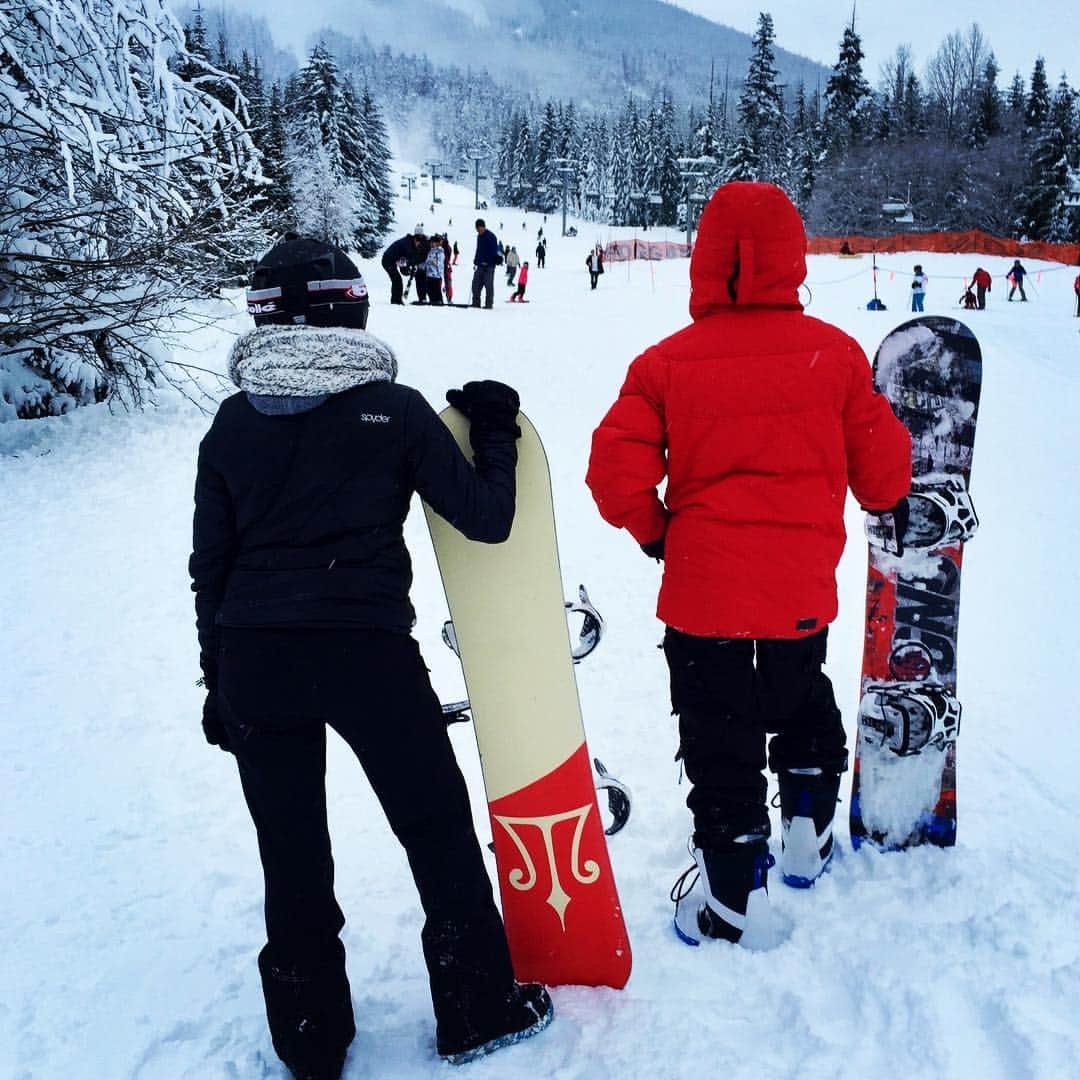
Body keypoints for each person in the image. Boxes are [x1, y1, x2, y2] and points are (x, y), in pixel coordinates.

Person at [190, 237, 552, 1078]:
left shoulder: (233, 420)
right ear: (349, 307)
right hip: (367, 654)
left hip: (254, 658)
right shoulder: (391, 407)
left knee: (290, 849)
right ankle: (476, 1009)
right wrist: (495, 430)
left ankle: (310, 1040)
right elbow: (488, 520)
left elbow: (212, 567)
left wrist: (218, 682)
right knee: (434, 830)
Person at [585, 182, 911, 948]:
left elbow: (612, 475)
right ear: (792, 259)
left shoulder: (664, 363)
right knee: (800, 700)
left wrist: (658, 533)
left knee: (719, 736)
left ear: (705, 259)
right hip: (799, 590)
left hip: (703, 594)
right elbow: (887, 480)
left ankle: (733, 900)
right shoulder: (834, 356)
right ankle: (807, 823)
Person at [380, 230, 427, 305]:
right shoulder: (407, 245)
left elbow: (404, 261)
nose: (419, 244)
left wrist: (407, 269)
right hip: (388, 260)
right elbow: (404, 261)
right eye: (418, 242)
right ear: (415, 239)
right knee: (397, 280)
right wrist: (406, 270)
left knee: (397, 279)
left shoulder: (410, 243)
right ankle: (396, 300)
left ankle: (397, 300)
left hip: (394, 260)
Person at [471, 219, 499, 309]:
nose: (478, 231)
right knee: (475, 285)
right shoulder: (479, 237)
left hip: (489, 266)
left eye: (479, 228)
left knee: (488, 286)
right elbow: (478, 249)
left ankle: (488, 304)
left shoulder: (491, 237)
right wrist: (476, 259)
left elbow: (493, 252)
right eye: (477, 229)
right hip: (480, 265)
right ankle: (476, 303)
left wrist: (489, 261)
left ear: (483, 227)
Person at [423, 234, 445, 305]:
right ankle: (432, 301)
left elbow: (440, 263)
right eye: (431, 243)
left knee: (436, 290)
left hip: (436, 275)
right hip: (429, 274)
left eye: (433, 243)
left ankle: (439, 301)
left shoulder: (440, 251)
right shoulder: (429, 251)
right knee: (429, 289)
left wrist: (434, 262)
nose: (432, 244)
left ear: (437, 243)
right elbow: (426, 261)